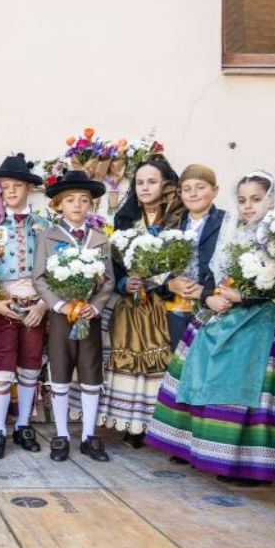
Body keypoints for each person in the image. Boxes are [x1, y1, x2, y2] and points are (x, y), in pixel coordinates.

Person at [148, 171, 275, 484]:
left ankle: (251, 465)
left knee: (255, 391)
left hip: (265, 318)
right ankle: (210, 453)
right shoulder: (236, 231)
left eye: (256, 199)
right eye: (242, 200)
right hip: (226, 311)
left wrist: (245, 294)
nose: (248, 206)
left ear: (271, 199)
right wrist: (214, 296)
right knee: (205, 371)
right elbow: (220, 272)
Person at [101, 157, 185, 447]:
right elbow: (115, 262)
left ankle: (162, 426)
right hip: (133, 304)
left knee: (164, 362)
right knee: (130, 359)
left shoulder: (177, 219)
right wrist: (126, 282)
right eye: (140, 182)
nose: (145, 187)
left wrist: (160, 282)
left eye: (152, 181)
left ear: (165, 185)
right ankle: (133, 424)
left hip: (166, 301)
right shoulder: (125, 220)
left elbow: (185, 259)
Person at [34, 169, 115, 462]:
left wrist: (95, 306)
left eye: (84, 200)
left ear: (91, 205)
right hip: (62, 316)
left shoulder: (99, 239)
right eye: (71, 200)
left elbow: (108, 280)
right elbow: (40, 278)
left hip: (89, 316)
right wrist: (60, 305)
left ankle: (90, 435)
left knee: (91, 372)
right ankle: (62, 434)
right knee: (60, 371)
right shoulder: (48, 237)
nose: (78, 205)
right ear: (59, 205)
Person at [0, 154, 50, 459]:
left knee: (30, 365)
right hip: (4, 306)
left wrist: (44, 305)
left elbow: (56, 272)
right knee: (3, 368)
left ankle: (23, 425)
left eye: (17, 186)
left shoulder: (45, 226)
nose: (10, 191)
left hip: (35, 305)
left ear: (28, 189)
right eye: (5, 186)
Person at [165, 164, 225, 344]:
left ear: (215, 191)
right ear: (180, 194)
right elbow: (156, 272)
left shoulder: (226, 223)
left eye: (200, 187)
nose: (193, 194)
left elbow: (231, 267)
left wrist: (205, 293)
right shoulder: (172, 226)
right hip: (177, 309)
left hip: (214, 307)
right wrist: (169, 285)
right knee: (180, 364)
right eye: (187, 189)